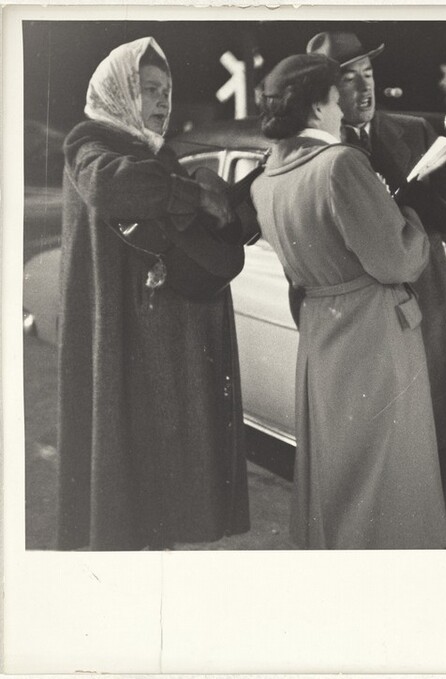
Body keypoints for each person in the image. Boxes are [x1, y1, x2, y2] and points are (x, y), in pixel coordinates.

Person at [250, 53, 446, 549]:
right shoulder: (340, 165)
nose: (344, 107)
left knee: (338, 468)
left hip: (321, 328)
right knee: (388, 476)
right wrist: (412, 214)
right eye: (336, 97)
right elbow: (399, 260)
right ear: (318, 106)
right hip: (372, 333)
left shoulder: (266, 179)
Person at [57, 37, 250, 550]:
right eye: (149, 90)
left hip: (153, 339)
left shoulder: (152, 150)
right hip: (127, 337)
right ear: (119, 91)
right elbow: (109, 186)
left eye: (167, 90)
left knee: (159, 469)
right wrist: (193, 193)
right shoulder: (89, 144)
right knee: (131, 466)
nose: (162, 102)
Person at [306, 32, 446, 500]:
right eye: (348, 81)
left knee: (441, 433)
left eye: (368, 75)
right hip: (364, 327)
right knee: (379, 456)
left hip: (429, 305)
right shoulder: (316, 153)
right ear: (324, 95)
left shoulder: (414, 131)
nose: (364, 90)